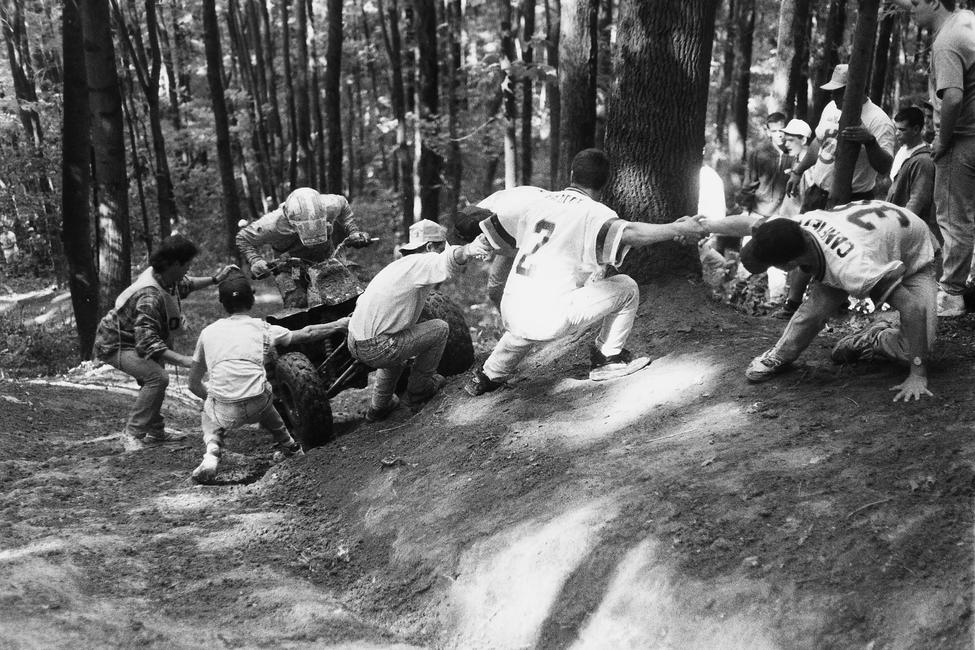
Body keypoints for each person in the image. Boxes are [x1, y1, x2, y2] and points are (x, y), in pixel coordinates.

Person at [465, 148, 708, 396]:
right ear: (605, 183)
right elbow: (631, 234)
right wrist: (676, 229)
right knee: (627, 287)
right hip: (548, 317)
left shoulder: (539, 201)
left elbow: (497, 236)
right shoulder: (595, 212)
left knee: (527, 318)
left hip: (511, 308)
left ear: (572, 174)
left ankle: (489, 374)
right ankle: (608, 358)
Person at [698, 200, 938, 402]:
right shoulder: (791, 227)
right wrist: (701, 225)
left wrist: (917, 374)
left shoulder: (853, 269)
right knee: (817, 306)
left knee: (914, 351)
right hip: (870, 238)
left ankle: (873, 337)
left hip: (915, 255)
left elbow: (912, 308)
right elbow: (748, 223)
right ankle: (780, 354)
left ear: (787, 266)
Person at [186, 271, 350, 484]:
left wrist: (216, 398)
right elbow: (307, 333)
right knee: (263, 392)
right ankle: (290, 446)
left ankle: (211, 452)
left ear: (222, 303)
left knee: (209, 408)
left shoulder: (207, 333)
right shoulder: (263, 328)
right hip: (258, 405)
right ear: (252, 300)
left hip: (225, 411)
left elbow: (193, 384)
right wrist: (339, 324)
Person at [94, 235, 234, 446]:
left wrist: (215, 279)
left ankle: (156, 431)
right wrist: (187, 361)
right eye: (187, 264)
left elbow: (187, 284)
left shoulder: (165, 277)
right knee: (157, 378)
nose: (189, 268)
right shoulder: (150, 296)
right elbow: (147, 342)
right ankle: (132, 434)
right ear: (175, 264)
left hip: (134, 338)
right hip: (115, 343)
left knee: (152, 379)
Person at [347, 219, 491, 421]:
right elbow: (448, 259)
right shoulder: (422, 261)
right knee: (440, 328)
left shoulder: (398, 267)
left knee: (396, 347)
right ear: (430, 247)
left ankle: (378, 406)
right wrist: (470, 249)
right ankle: (419, 389)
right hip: (378, 347)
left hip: (355, 341)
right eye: (440, 247)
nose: (441, 251)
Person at [910, 0, 975, 317]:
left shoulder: (946, 40)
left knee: (953, 217)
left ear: (935, 2)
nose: (912, 9)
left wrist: (942, 139)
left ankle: (951, 294)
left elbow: (952, 96)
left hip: (962, 137)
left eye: (915, 3)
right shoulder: (967, 22)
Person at [785, 64, 896, 213]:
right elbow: (819, 142)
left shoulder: (879, 120)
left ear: (855, 90)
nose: (833, 96)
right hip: (817, 194)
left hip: (852, 201)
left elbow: (884, 167)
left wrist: (870, 142)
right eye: (832, 92)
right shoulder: (831, 107)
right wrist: (798, 171)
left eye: (838, 92)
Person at [236, 187, 372, 307]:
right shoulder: (271, 225)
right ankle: (301, 326)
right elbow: (242, 238)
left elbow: (344, 206)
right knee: (296, 300)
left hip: (326, 258)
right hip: (292, 267)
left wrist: (353, 231)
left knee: (354, 285)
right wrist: (255, 260)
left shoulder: (331, 205)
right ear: (291, 223)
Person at [886, 106, 936, 239]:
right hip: (893, 218)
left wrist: (900, 228)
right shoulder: (903, 150)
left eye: (902, 130)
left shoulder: (923, 161)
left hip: (908, 229)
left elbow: (917, 201)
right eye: (896, 129)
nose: (897, 133)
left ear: (916, 130)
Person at [737, 112, 791, 219]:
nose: (779, 135)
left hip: (785, 214)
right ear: (768, 132)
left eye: (781, 130)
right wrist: (745, 210)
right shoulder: (759, 153)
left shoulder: (794, 153)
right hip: (759, 212)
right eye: (774, 131)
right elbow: (749, 184)